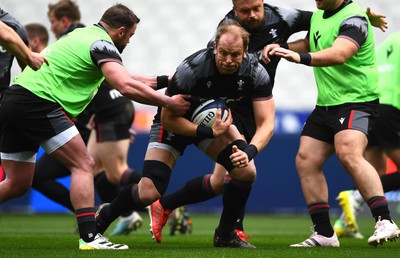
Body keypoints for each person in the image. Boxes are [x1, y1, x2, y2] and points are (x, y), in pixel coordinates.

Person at [0, 4, 190, 251]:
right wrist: (167, 102)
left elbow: (127, 77)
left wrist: (167, 81)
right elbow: (125, 86)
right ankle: (90, 237)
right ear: (121, 31)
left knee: (17, 183)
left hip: (13, 100)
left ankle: (97, 228)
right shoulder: (102, 45)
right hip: (39, 102)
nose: (130, 42)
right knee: (84, 164)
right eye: (131, 36)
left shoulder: (82, 35)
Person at [95, 20, 275, 248]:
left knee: (245, 171)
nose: (229, 60)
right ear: (215, 48)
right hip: (174, 123)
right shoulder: (192, 69)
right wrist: (205, 131)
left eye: (235, 55)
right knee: (149, 191)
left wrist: (248, 151)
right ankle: (101, 221)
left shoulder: (256, 73)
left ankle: (225, 235)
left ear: (245, 52)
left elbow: (267, 123)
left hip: (212, 125)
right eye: (224, 54)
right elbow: (168, 119)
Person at [268, 0, 399, 248]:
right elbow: (310, 41)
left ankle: (384, 220)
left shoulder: (354, 18)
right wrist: (281, 48)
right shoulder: (320, 15)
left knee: (348, 152)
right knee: (306, 159)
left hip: (357, 100)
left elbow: (340, 53)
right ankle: (324, 234)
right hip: (327, 103)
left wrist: (299, 57)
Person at [31, 0, 144, 237]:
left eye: (53, 22)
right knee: (101, 169)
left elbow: (107, 81)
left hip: (97, 116)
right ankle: (120, 211)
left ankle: (154, 195)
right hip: (111, 113)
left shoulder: (79, 37)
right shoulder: (97, 40)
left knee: (105, 170)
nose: (52, 28)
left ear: (63, 21)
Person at [333, 31, 400, 239]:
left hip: (374, 106)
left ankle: (342, 222)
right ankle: (356, 197)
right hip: (391, 109)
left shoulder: (391, 40)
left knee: (373, 170)